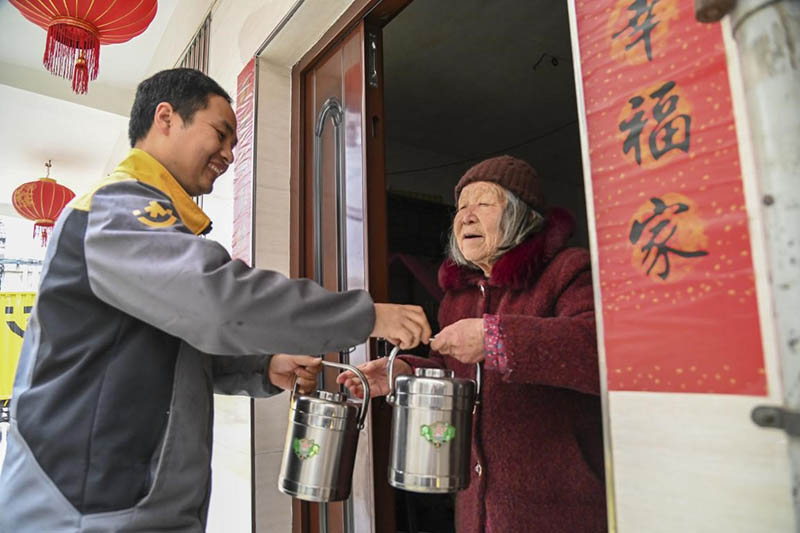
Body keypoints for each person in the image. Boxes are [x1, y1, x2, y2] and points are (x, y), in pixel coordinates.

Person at [0, 68, 431, 533]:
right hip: (84, 503)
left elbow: (163, 346)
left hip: (129, 501)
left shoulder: (156, 221)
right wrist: (367, 315)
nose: (228, 154)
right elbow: (220, 303)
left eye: (233, 143)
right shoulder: (116, 207)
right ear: (166, 118)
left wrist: (262, 368)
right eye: (221, 134)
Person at [339, 155, 607, 532]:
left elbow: (599, 352)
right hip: (477, 512)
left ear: (521, 215)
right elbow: (455, 370)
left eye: (483, 204)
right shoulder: (458, 297)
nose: (466, 217)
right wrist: (406, 370)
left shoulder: (568, 271)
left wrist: (495, 339)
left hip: (559, 510)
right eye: (461, 207)